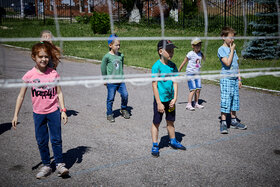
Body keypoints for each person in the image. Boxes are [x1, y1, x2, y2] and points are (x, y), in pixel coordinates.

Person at [11, 41, 69, 179]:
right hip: (38, 113)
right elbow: (21, 96)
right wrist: (15, 115)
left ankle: (60, 164)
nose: (44, 59)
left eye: (46, 56)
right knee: (41, 140)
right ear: (34, 57)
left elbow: (59, 93)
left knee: (56, 139)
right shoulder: (29, 75)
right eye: (40, 56)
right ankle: (46, 165)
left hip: (53, 112)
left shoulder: (53, 74)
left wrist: (63, 110)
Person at [151, 40, 186, 157]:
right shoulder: (156, 67)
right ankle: (155, 145)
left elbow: (175, 82)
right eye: (169, 50)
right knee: (156, 122)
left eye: (172, 50)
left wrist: (175, 98)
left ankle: (173, 140)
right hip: (160, 101)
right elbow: (154, 85)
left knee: (170, 121)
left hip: (170, 100)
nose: (171, 53)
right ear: (161, 51)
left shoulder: (173, 66)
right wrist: (159, 103)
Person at [218, 26, 247, 134]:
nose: (232, 40)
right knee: (226, 100)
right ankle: (224, 122)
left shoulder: (232, 50)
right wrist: (232, 50)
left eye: (233, 38)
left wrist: (239, 79)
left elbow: (236, 65)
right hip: (226, 79)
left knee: (235, 100)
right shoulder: (221, 49)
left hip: (234, 79)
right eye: (230, 38)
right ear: (223, 37)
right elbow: (227, 63)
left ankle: (234, 121)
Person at [101, 34, 130, 123]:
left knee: (125, 94)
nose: (119, 46)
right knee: (110, 98)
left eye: (119, 45)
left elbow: (121, 66)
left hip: (121, 81)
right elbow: (103, 68)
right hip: (111, 82)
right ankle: (109, 113)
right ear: (110, 45)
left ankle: (123, 109)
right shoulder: (107, 56)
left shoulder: (121, 55)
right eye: (117, 45)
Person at [178, 37, 205, 111]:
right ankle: (189, 104)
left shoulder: (200, 53)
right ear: (192, 46)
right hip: (190, 74)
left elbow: (202, 58)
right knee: (192, 89)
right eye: (196, 45)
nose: (198, 47)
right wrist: (179, 70)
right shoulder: (190, 53)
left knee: (198, 89)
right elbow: (184, 61)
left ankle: (196, 103)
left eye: (199, 45)